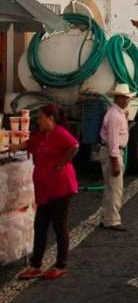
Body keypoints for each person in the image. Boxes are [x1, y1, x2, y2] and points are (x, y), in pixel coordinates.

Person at [11, 104, 79, 281]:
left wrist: (63, 163)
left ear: (51, 118)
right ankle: (36, 265)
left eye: (41, 117)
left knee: (59, 227)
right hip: (45, 191)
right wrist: (14, 147)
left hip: (60, 189)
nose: (38, 120)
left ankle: (60, 265)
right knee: (40, 227)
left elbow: (74, 146)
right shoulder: (42, 136)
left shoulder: (60, 133)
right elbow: (28, 144)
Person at [99, 84, 135, 232]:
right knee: (115, 188)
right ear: (118, 98)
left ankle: (106, 217)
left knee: (110, 187)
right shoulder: (115, 115)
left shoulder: (117, 113)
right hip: (113, 152)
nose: (127, 100)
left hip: (112, 152)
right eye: (125, 97)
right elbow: (113, 140)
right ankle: (113, 219)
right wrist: (115, 161)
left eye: (127, 98)